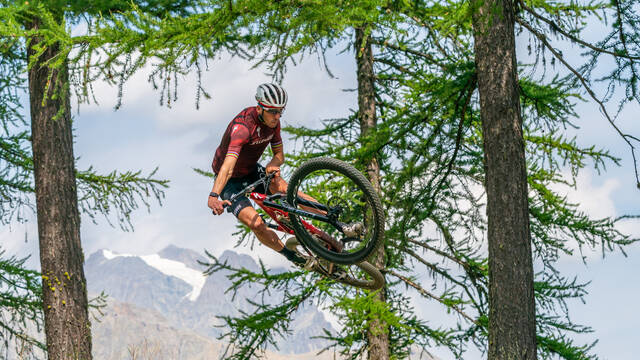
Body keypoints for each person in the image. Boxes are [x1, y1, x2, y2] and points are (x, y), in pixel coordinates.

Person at [207, 83, 309, 266]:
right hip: (230, 182)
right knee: (256, 225)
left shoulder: (273, 124)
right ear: (260, 107)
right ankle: (291, 255)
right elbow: (228, 167)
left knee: (285, 189)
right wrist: (214, 195)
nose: (277, 117)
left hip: (252, 170)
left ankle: (332, 217)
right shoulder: (243, 128)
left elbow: (279, 156)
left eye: (280, 112)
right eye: (272, 112)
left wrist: (272, 164)